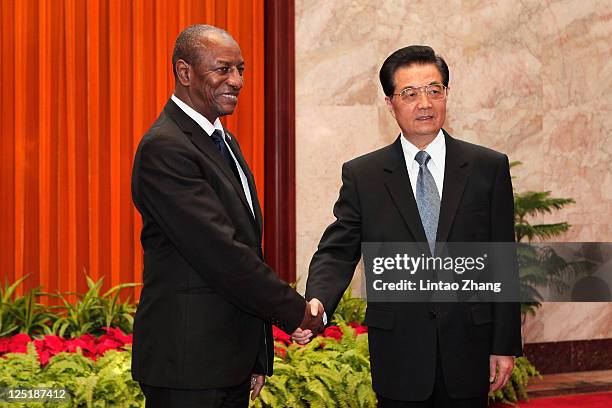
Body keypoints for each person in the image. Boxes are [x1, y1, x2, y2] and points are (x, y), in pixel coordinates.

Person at [295, 45, 522, 407]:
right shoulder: (364, 175)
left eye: (434, 90)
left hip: (468, 346)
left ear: (446, 94)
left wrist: (504, 344)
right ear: (390, 103)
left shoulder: (487, 167)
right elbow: (338, 250)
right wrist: (317, 302)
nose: (425, 103)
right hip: (399, 351)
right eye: (410, 93)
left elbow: (503, 260)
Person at [131, 25, 323, 408]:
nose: (236, 81)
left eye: (241, 69)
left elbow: (246, 248)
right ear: (184, 73)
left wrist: (255, 355)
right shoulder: (165, 148)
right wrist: (297, 313)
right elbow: (222, 253)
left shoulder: (223, 140)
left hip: (225, 364)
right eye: (222, 69)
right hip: (189, 369)